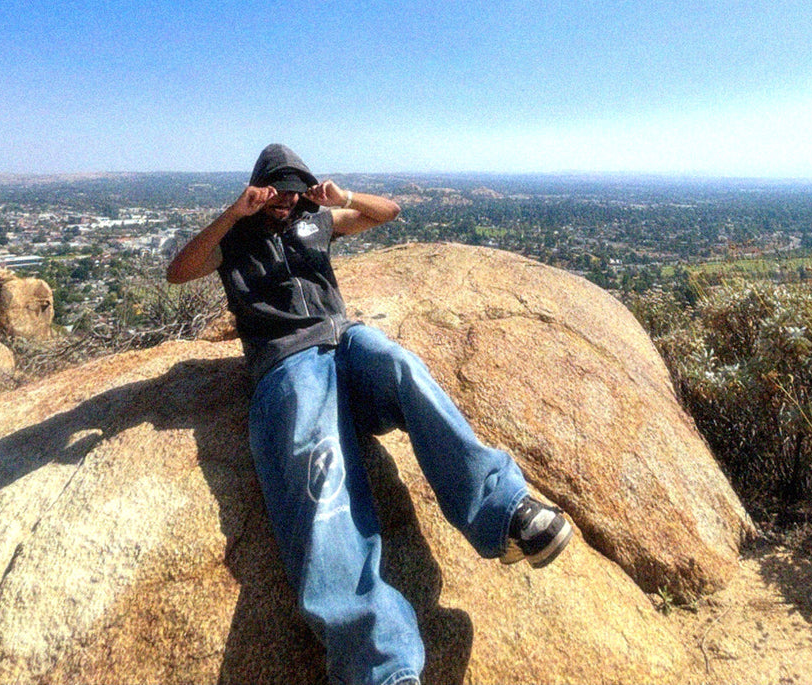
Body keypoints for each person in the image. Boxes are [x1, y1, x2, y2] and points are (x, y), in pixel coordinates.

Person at [167, 142, 572, 685]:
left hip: (347, 344)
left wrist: (343, 195)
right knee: (319, 476)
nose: (285, 201)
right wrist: (233, 213)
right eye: (275, 191)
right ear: (257, 190)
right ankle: (379, 664)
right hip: (290, 361)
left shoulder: (316, 221)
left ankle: (506, 513)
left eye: (293, 190)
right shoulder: (233, 238)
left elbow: (388, 214)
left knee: (403, 367)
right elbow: (179, 271)